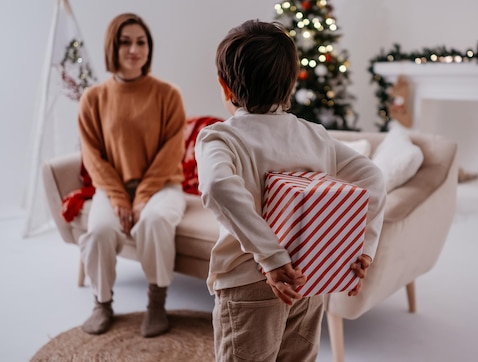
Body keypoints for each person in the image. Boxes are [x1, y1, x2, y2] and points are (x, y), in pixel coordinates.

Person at [195, 19, 386, 361]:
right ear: (290, 86)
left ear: (226, 88)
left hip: (246, 286)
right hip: (308, 280)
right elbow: (373, 177)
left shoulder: (221, 137)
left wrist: (271, 258)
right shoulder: (314, 135)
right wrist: (363, 248)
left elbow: (216, 185)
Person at [77, 13, 187, 338]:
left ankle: (156, 302)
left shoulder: (168, 94)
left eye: (141, 42)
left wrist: (141, 197)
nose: (134, 49)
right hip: (113, 189)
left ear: (149, 48)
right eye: (125, 42)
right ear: (113, 46)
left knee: (153, 221)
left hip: (162, 186)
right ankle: (102, 302)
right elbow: (93, 156)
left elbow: (171, 151)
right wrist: (117, 197)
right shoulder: (93, 98)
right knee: (97, 231)